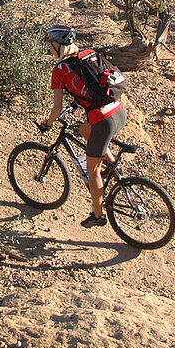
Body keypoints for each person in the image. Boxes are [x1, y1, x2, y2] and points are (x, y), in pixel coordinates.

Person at [40, 25, 126, 228]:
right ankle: (113, 167)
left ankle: (98, 215)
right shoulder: (87, 56)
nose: (49, 51)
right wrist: (76, 102)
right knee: (84, 130)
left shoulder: (60, 70)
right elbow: (89, 87)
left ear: (58, 45)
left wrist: (48, 124)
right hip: (119, 110)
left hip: (103, 120)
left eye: (50, 47)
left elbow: (56, 108)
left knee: (92, 170)